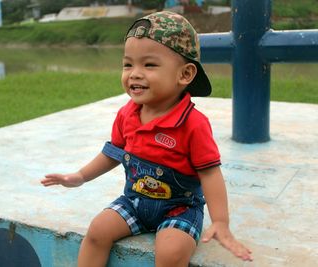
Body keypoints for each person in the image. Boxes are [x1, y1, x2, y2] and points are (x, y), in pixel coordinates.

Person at [41, 11, 253, 266]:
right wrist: (80, 176)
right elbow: (113, 153)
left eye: (149, 65)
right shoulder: (127, 114)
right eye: (128, 64)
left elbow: (210, 173)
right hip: (134, 202)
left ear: (185, 75)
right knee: (97, 231)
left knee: (171, 252)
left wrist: (220, 221)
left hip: (180, 209)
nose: (134, 74)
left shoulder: (193, 124)